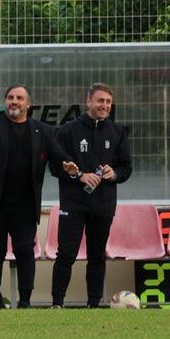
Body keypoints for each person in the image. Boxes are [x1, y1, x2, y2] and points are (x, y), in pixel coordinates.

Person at [0, 85, 78, 308]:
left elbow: (59, 156)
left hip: (26, 205)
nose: (14, 101)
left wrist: (69, 165)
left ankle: (25, 301)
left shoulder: (43, 131)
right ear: (5, 101)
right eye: (10, 97)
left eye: (19, 98)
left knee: (24, 250)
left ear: (28, 104)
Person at [49, 83, 132, 308]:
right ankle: (57, 304)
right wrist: (79, 176)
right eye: (100, 101)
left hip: (103, 206)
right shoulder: (67, 130)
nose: (104, 105)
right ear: (88, 102)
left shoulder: (117, 132)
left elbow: (126, 168)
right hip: (74, 204)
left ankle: (93, 305)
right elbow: (55, 166)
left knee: (97, 256)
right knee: (66, 254)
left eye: (107, 102)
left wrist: (114, 174)